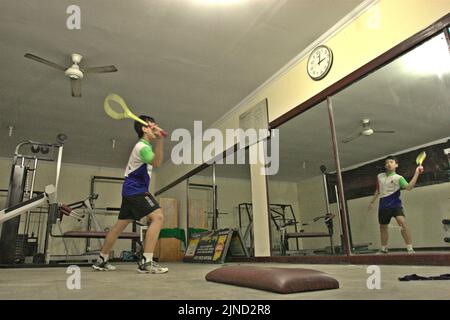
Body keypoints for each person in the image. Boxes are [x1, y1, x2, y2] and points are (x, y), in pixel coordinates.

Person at [93, 115, 168, 273]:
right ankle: (146, 262)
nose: (155, 127)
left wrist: (159, 138)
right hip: (136, 190)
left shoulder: (143, 146)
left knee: (118, 228)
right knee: (158, 216)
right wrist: (161, 140)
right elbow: (157, 162)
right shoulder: (143, 147)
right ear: (144, 128)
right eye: (152, 125)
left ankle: (101, 259)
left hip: (130, 190)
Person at [368, 155, 423, 254]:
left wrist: (416, 173)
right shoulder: (379, 176)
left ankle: (410, 248)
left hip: (395, 204)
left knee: (402, 223)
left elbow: (409, 187)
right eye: (387, 162)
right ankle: (384, 248)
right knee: (383, 227)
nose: (388, 164)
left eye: (391, 162)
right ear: (385, 166)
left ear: (396, 165)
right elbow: (378, 190)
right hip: (383, 205)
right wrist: (372, 201)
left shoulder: (399, 178)